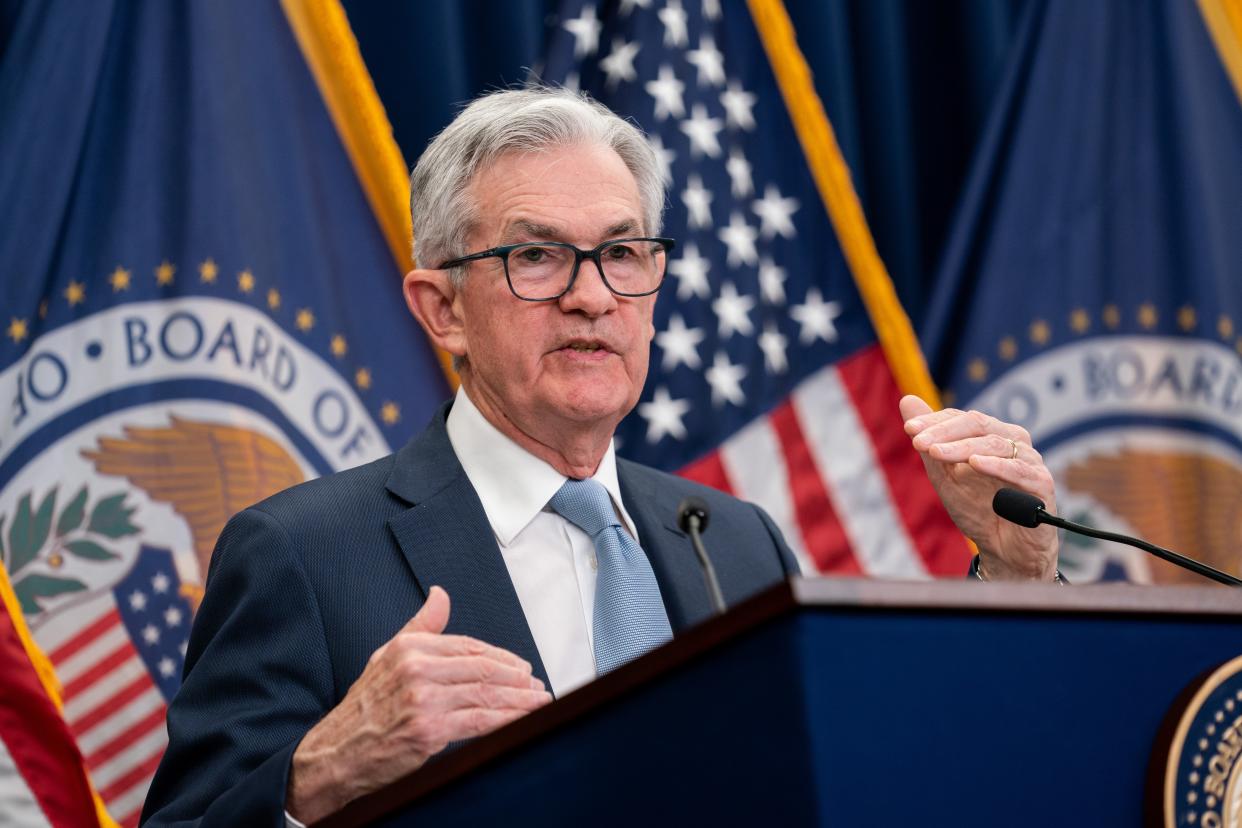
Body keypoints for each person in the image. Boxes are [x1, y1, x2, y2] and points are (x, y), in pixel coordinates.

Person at [140, 87, 1059, 827]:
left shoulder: (736, 541)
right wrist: (315, 779)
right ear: (442, 309)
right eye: (537, 256)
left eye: (623, 251)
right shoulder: (305, 553)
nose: (592, 297)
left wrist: (1018, 577)